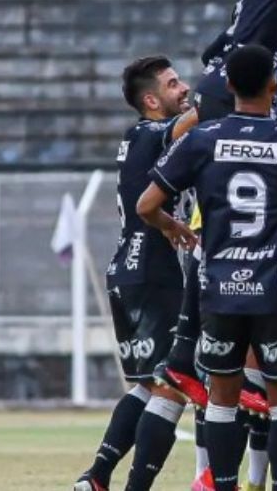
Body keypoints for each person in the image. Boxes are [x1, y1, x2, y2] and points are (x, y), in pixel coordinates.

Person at [137, 45, 277, 491]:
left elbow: (146, 204)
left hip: (221, 288)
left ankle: (225, 485)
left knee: (222, 400)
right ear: (274, 85)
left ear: (228, 85)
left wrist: (174, 226)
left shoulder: (202, 138)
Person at [73, 56, 198, 491]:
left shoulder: (136, 139)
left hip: (126, 270)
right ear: (151, 100)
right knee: (172, 387)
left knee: (146, 386)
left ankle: (96, 477)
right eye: (173, 84)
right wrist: (224, 92)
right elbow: (184, 127)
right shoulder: (149, 133)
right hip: (153, 271)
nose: (183, 89)